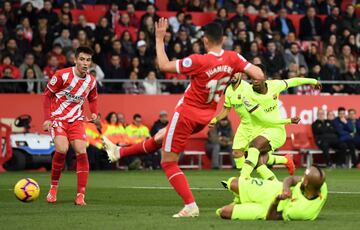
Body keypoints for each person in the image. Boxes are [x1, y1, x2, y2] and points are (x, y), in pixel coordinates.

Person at [104, 19, 265, 218]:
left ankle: (190, 205)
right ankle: (119, 152)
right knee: (162, 136)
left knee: (168, 162)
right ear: (222, 39)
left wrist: (159, 38)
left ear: (205, 41)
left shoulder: (199, 61)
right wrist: (239, 74)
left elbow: (163, 65)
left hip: (187, 114)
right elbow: (258, 74)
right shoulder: (233, 58)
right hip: (205, 117)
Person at [221, 68, 320, 180]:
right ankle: (278, 178)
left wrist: (313, 81)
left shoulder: (275, 85)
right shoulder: (247, 96)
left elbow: (294, 81)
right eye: (252, 79)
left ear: (265, 78)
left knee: (254, 148)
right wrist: (288, 120)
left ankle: (243, 179)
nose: (254, 81)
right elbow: (264, 119)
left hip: (276, 131)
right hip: (261, 129)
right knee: (257, 160)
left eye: (257, 78)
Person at [209, 72, 298, 178]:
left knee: (254, 156)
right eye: (231, 74)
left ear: (240, 75)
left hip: (256, 125)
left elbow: (262, 107)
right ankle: (283, 161)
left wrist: (286, 120)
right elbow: (227, 108)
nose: (232, 76)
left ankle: (245, 180)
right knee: (237, 153)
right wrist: (216, 119)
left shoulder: (248, 88)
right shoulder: (228, 90)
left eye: (235, 74)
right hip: (244, 126)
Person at [43, 46, 98, 206]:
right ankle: (53, 189)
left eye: (88, 60)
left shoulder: (91, 81)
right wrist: (47, 119)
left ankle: (80, 195)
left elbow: (93, 99)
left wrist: (94, 113)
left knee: (82, 151)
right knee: (62, 149)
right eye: (82, 59)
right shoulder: (62, 75)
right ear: (75, 60)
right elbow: (47, 96)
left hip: (76, 120)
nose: (85, 63)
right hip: (58, 118)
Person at [217, 166, 327, 221]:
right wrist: (286, 188)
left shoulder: (301, 212)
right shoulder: (321, 184)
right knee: (233, 183)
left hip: (270, 208)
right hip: (274, 189)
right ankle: (241, 199)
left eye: (304, 177)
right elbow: (291, 179)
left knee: (224, 212)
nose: (302, 178)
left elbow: (271, 217)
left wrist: (276, 200)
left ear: (307, 182)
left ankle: (241, 202)